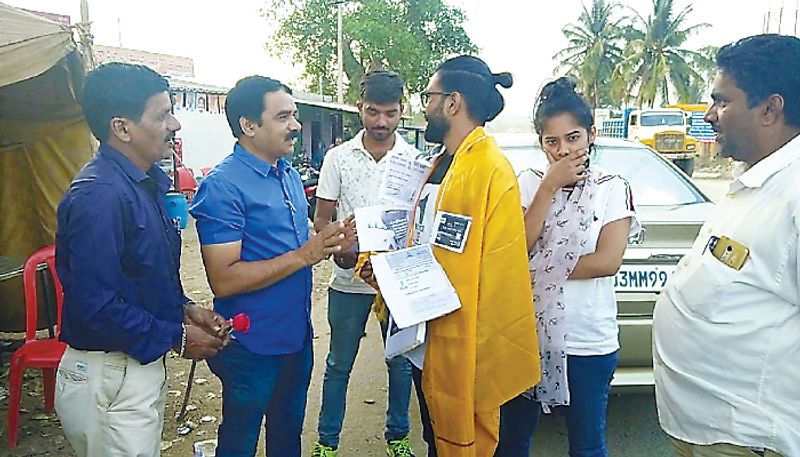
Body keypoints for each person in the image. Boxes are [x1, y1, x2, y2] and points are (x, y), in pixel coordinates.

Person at [364, 55, 541, 457]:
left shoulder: (488, 169)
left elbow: (487, 276)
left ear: (452, 102)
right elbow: (423, 239)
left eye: (428, 96)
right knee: (435, 439)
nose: (423, 107)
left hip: (469, 342)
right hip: (427, 341)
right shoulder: (442, 163)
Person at [54, 62, 227, 457]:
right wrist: (178, 338)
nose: (175, 125)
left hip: (131, 371)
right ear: (122, 127)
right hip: (109, 375)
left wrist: (184, 311)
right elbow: (95, 307)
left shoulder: (142, 184)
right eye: (163, 114)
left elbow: (138, 279)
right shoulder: (98, 196)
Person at [189, 76, 355, 456]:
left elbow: (300, 249)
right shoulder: (223, 186)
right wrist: (305, 255)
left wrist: (332, 243)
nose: (295, 125)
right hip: (251, 346)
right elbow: (224, 279)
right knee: (240, 440)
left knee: (287, 436)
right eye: (283, 117)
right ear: (249, 126)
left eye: (294, 115)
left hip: (295, 337)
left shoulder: (289, 175)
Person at [653, 34, 800, 457]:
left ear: (770, 108)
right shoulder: (756, 182)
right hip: (711, 431)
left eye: (722, 101)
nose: (709, 115)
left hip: (750, 438)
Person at [495, 77, 638, 457]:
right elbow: (516, 248)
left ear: (592, 134)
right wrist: (549, 188)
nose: (563, 150)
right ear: (540, 142)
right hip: (526, 335)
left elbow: (607, 260)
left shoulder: (612, 187)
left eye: (573, 138)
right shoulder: (527, 184)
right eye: (552, 141)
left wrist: (537, 268)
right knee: (510, 443)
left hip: (588, 340)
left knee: (587, 447)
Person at [312, 70, 417, 457]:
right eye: (373, 112)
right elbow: (322, 219)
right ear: (360, 108)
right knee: (339, 364)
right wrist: (339, 246)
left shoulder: (414, 160)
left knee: (400, 364)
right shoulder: (338, 158)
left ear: (401, 112)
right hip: (347, 280)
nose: (381, 122)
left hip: (396, 281)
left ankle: (398, 438)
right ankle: (327, 443)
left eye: (389, 113)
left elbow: (418, 223)